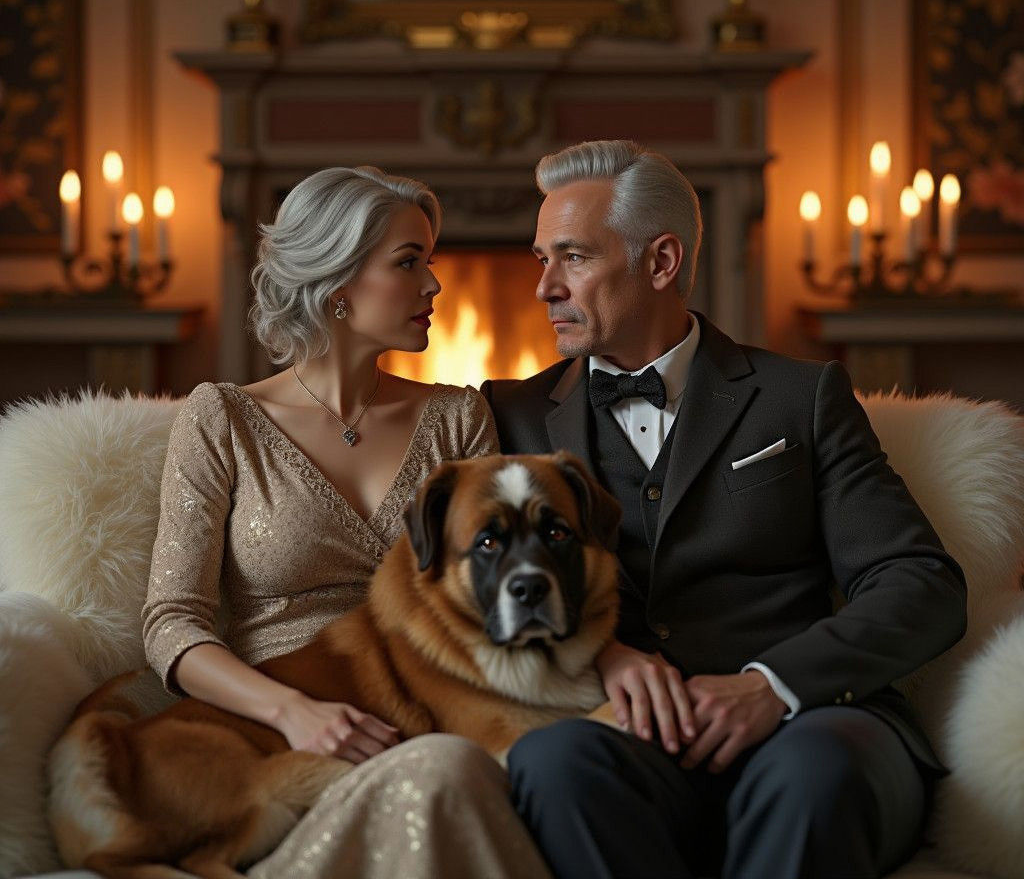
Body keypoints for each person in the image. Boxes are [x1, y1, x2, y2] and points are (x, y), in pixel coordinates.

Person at [481, 140, 968, 879]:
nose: (545, 287)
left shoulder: (801, 398)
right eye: (541, 259)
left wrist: (770, 686)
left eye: (573, 257)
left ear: (662, 261)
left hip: (811, 726)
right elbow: (462, 588)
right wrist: (601, 654)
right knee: (553, 760)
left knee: (816, 775)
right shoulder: (507, 416)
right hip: (622, 739)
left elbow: (920, 581)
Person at [142, 165, 551, 879]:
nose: (433, 286)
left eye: (431, 262)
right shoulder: (224, 419)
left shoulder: (459, 417)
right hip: (276, 743)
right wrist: (293, 712)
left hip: (436, 711)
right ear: (336, 283)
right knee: (445, 775)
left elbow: (499, 590)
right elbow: (173, 623)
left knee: (456, 767)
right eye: (408, 263)